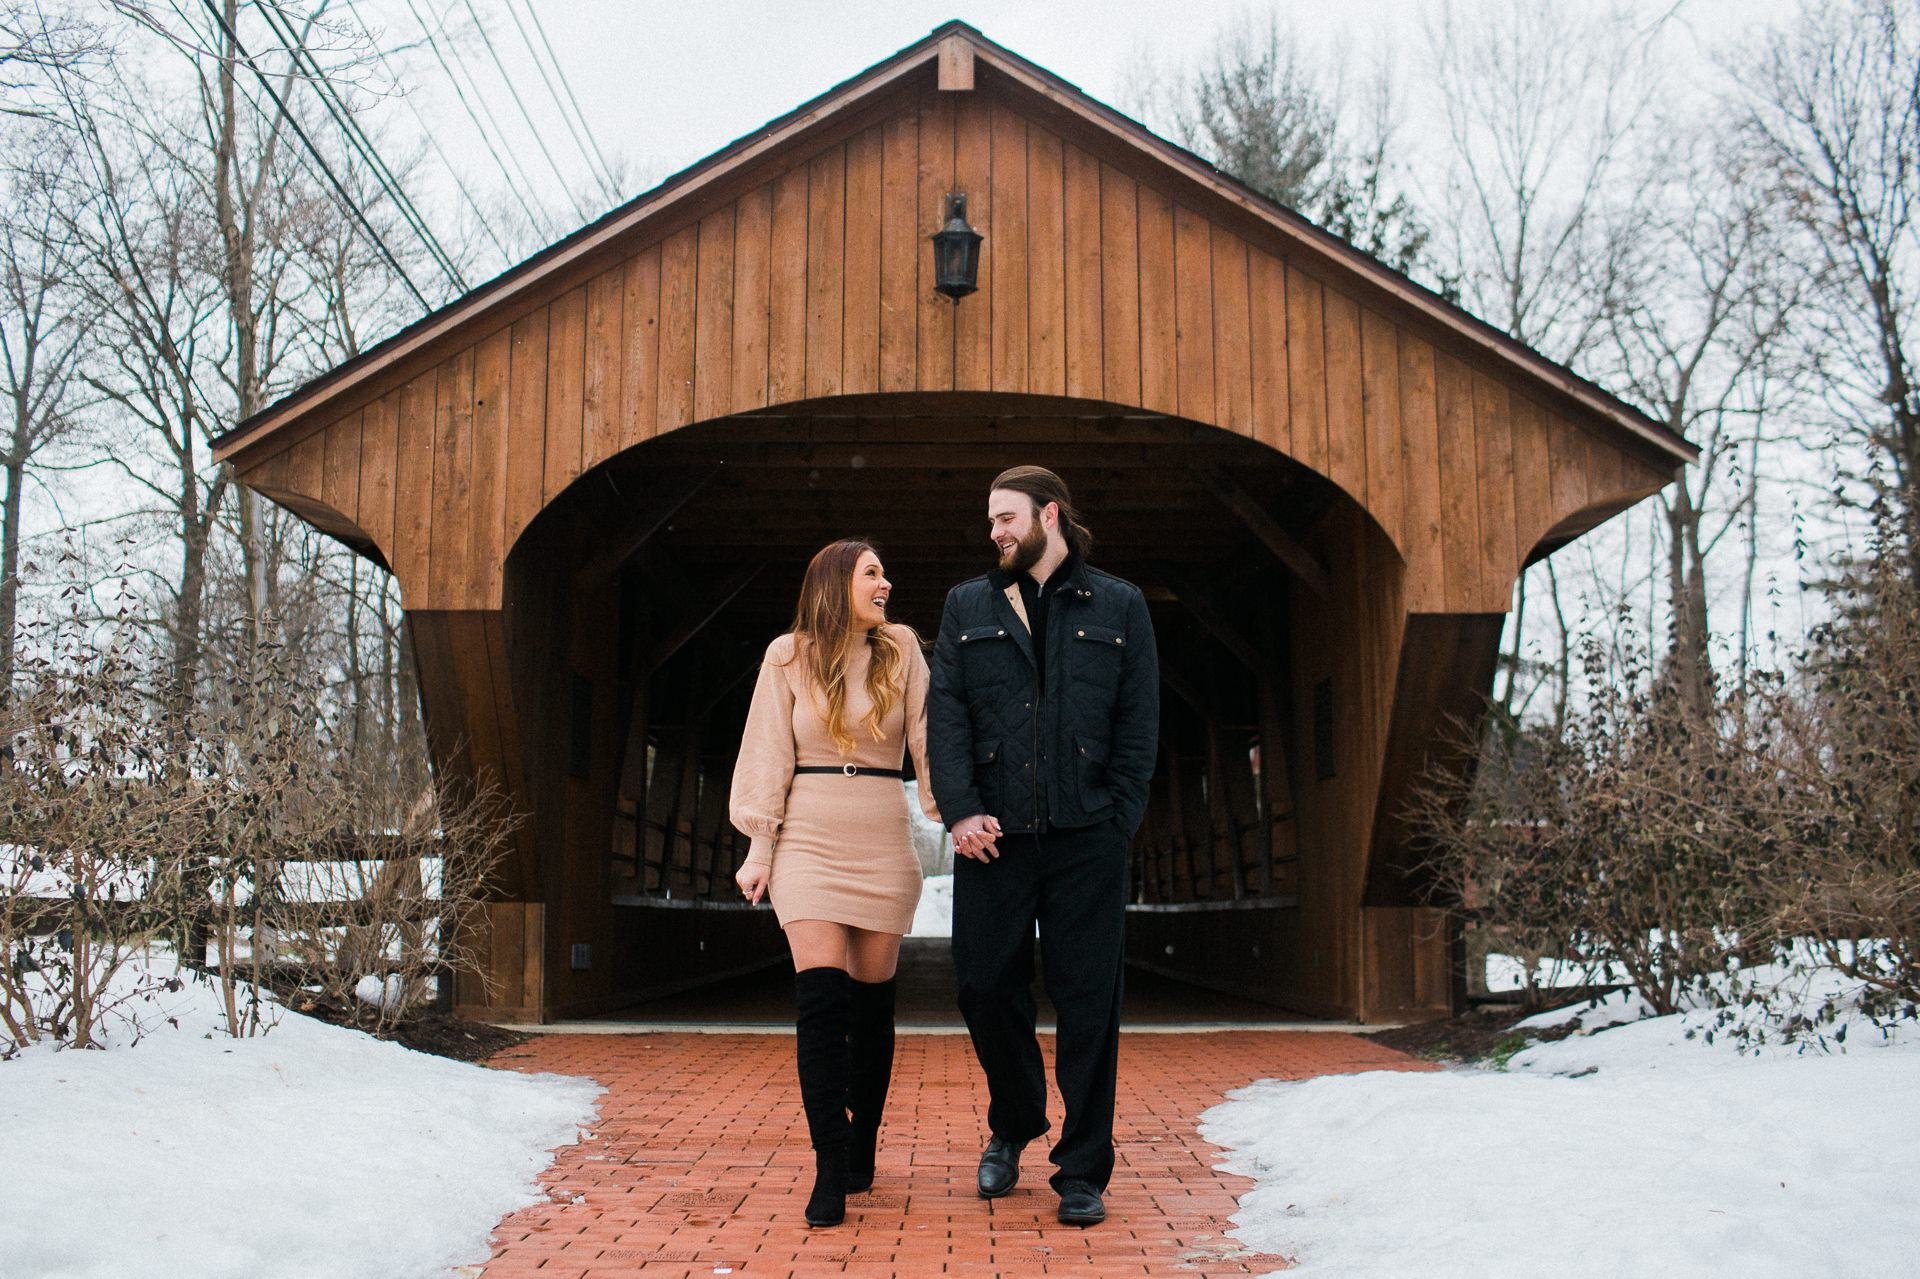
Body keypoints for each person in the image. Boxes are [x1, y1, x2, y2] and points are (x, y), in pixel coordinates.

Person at [927, 465, 1160, 1228]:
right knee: (983, 985)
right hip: (993, 838)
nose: (993, 532)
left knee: (1090, 1001)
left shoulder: (1119, 605)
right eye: (990, 520)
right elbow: (947, 718)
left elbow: (1139, 722)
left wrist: (1117, 817)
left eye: (1005, 518)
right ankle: (1017, 1118)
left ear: (1048, 514)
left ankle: (1083, 1168)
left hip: (1085, 833)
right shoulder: (968, 605)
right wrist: (960, 811)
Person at [729, 539, 940, 1228]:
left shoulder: (902, 647)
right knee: (820, 1002)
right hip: (807, 840)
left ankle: (863, 1139)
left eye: (884, 571)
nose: (887, 582)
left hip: (882, 834)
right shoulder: (785, 655)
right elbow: (768, 751)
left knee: (872, 1009)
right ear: (835, 582)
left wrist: (955, 817)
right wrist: (760, 846)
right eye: (873, 572)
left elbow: (929, 741)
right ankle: (828, 1158)